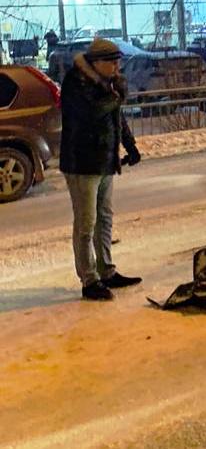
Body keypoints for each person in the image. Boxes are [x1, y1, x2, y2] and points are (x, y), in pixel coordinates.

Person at [60, 38, 142, 301]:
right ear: (97, 63)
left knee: (104, 217)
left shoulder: (108, 85)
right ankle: (89, 279)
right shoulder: (76, 83)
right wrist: (116, 96)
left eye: (119, 61)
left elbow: (117, 117)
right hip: (81, 164)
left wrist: (130, 146)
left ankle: (106, 270)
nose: (118, 66)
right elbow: (91, 112)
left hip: (105, 161)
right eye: (113, 61)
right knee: (86, 223)